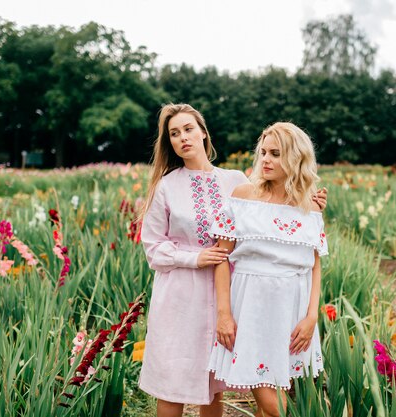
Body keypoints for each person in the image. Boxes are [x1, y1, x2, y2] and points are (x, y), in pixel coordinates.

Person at [139, 104, 327, 417]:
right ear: (169, 142)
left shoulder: (235, 181)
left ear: (203, 133)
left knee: (213, 384)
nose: (182, 138)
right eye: (174, 133)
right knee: (172, 380)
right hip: (181, 295)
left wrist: (312, 201)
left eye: (188, 129)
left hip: (230, 293)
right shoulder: (166, 187)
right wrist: (196, 257)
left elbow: (276, 202)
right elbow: (153, 247)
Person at [207, 122, 328, 417]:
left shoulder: (309, 206)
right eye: (263, 152)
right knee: (274, 404)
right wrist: (224, 313)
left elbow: (314, 265)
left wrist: (312, 316)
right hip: (251, 305)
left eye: (275, 153)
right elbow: (222, 257)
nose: (266, 160)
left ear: (295, 158)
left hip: (292, 309)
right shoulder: (243, 195)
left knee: (273, 393)